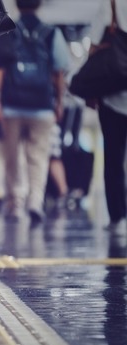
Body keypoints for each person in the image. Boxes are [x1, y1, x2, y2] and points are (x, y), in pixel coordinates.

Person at [0, 0, 69, 225]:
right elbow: (58, 72)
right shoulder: (51, 33)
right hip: (42, 106)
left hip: (12, 104)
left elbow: (0, 68)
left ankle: (15, 203)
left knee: (12, 156)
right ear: (39, 5)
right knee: (39, 157)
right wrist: (59, 102)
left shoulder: (9, 31)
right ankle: (35, 201)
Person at [88, 0, 127, 235]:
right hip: (113, 97)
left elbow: (94, 47)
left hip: (113, 95)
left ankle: (118, 218)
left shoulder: (110, 5)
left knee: (113, 158)